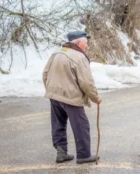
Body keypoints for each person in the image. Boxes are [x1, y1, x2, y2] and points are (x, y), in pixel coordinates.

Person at [42, 31, 101, 164]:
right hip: (71, 97)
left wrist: (51, 90)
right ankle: (84, 155)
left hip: (54, 95)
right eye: (86, 43)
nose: (87, 46)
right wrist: (95, 97)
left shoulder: (56, 54)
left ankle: (61, 153)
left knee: (58, 124)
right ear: (79, 43)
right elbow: (86, 82)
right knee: (81, 126)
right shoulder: (79, 57)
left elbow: (45, 74)